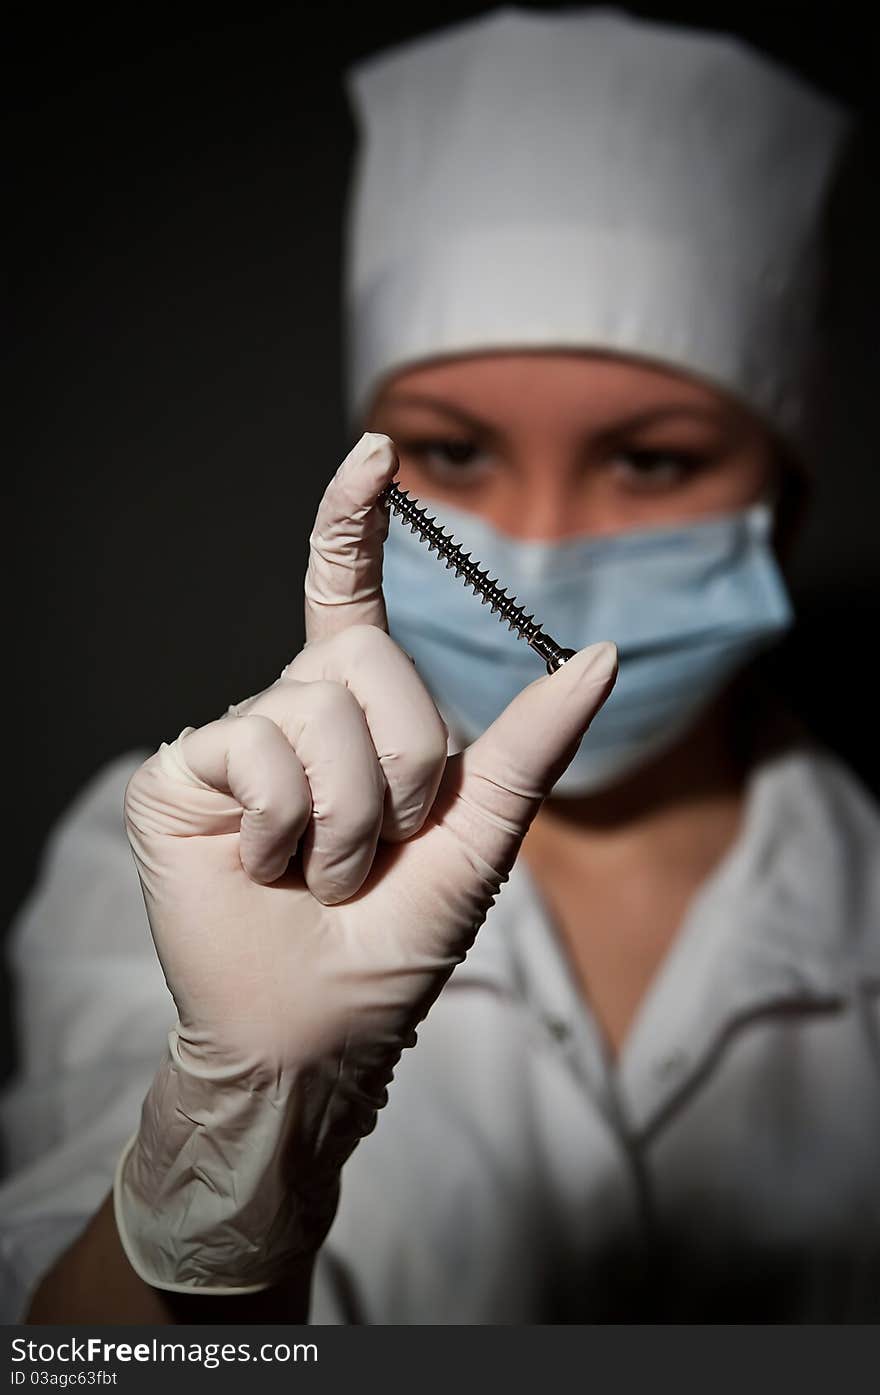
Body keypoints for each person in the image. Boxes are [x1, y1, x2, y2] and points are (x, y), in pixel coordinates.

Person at [2, 7, 879, 1324]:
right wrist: (219, 1187)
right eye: (454, 454)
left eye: (652, 459)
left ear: (787, 496)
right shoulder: (182, 851)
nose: (538, 541)